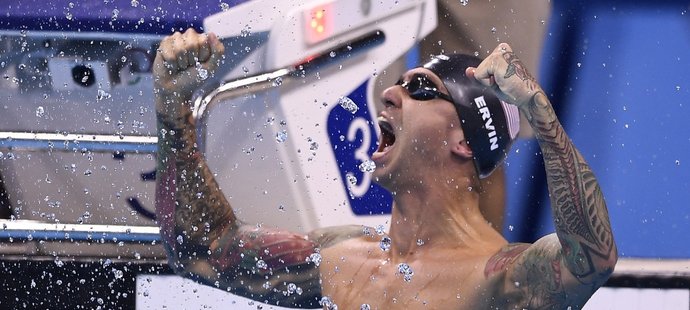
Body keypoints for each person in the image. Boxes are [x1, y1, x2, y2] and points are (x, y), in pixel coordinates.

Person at [154, 29, 617, 309]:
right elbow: (203, 251)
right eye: (397, 84)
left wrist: (543, 117)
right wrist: (174, 112)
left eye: (421, 88)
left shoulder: (493, 280)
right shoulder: (344, 259)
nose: (391, 94)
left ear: (463, 141)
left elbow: (591, 259)